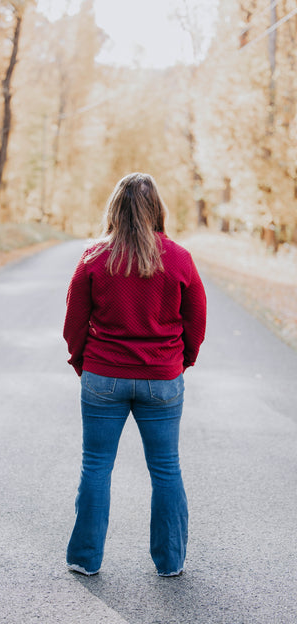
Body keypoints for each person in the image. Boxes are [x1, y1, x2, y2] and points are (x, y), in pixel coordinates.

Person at [63, 172, 206, 577]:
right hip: (162, 379)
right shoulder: (179, 258)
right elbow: (196, 321)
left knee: (95, 466)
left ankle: (85, 559)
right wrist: (180, 364)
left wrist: (82, 363)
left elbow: (73, 322)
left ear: (115, 208)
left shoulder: (94, 256)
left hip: (102, 377)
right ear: (156, 209)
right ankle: (170, 562)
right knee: (166, 469)